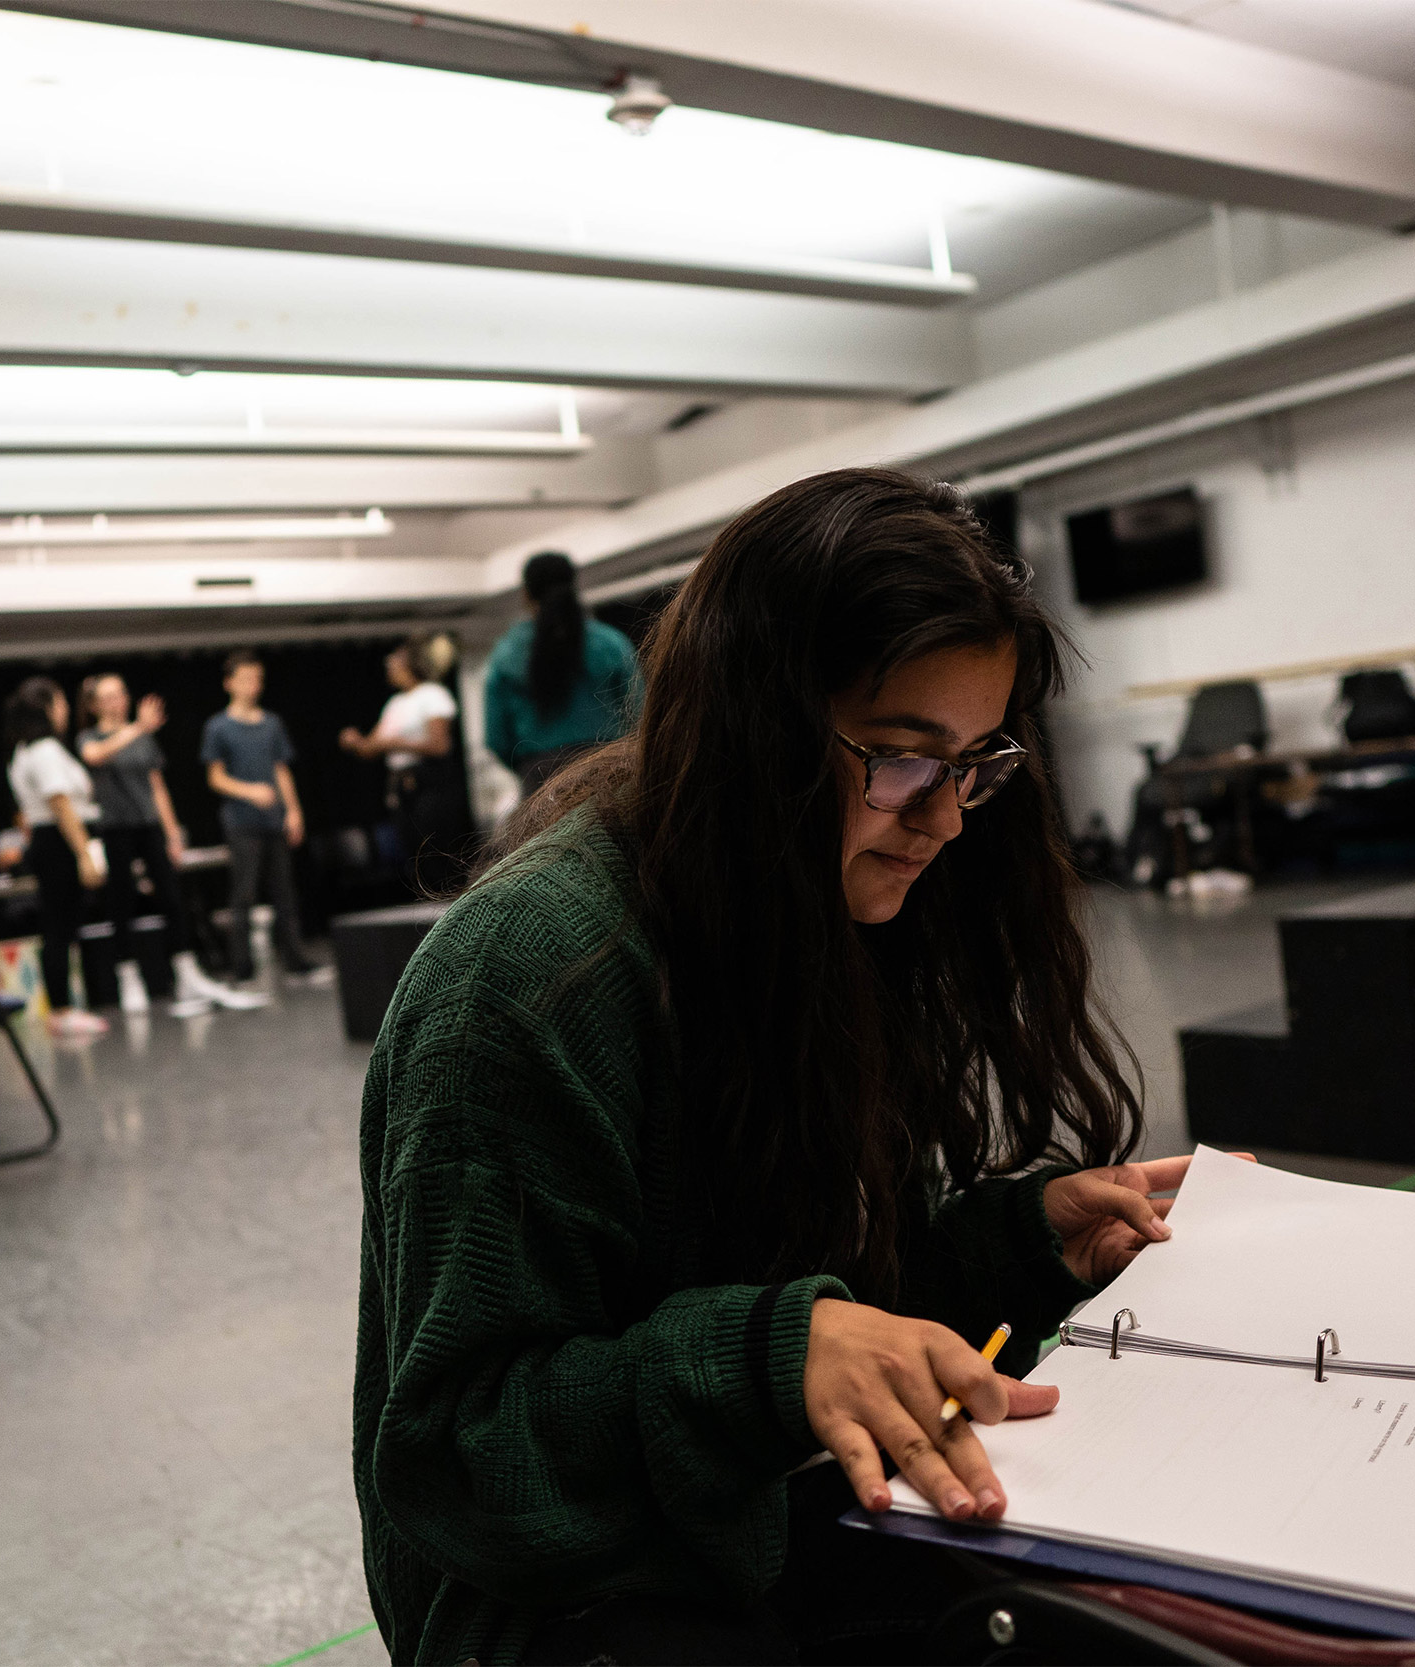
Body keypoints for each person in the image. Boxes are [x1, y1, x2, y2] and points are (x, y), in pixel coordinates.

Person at [355, 468, 1208, 1664]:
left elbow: (851, 1301)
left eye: (976, 763)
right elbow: (460, 1450)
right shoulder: (525, 974)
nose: (947, 818)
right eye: (905, 759)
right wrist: (768, 1356)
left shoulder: (827, 905)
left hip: (768, 1508)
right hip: (558, 1604)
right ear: (756, 727)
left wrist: (1025, 1244)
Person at [78, 673, 268, 1016]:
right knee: (122, 903)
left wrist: (172, 833)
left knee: (171, 897)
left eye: (120, 694)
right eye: (107, 697)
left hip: (149, 825)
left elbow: (157, 786)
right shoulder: (90, 736)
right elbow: (94, 756)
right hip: (115, 828)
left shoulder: (143, 739)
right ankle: (129, 976)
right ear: (93, 705)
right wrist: (138, 727)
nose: (116, 701)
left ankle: (185, 971)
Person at [201, 651, 330, 986]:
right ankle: (242, 967)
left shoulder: (271, 723)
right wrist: (250, 791)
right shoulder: (218, 727)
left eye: (256, 678)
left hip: (274, 820)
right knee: (243, 893)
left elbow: (281, 769)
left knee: (284, 891)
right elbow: (215, 777)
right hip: (241, 821)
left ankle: (294, 958)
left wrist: (294, 810)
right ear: (229, 683)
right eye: (245, 679)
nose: (252, 686)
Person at [482, 551, 642, 799]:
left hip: (540, 778)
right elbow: (639, 710)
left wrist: (527, 765)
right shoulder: (610, 643)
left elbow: (496, 736)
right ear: (573, 587)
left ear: (526, 594)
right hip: (606, 769)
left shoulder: (506, 653)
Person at [3, 676, 111, 1039]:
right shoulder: (45, 750)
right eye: (62, 703)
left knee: (60, 927)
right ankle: (61, 1010)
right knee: (59, 928)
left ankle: (64, 1006)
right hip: (58, 842)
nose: (66, 710)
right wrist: (84, 854)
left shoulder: (23, 752)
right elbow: (61, 805)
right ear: (48, 708)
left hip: (49, 842)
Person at [338, 634, 471, 894]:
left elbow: (440, 746)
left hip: (429, 780)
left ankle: (449, 899)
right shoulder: (395, 703)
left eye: (394, 662)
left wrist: (396, 744)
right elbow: (372, 747)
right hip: (401, 784)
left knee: (435, 846)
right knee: (412, 849)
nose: (389, 668)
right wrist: (355, 742)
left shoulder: (433, 694)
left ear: (410, 665)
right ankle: (427, 901)